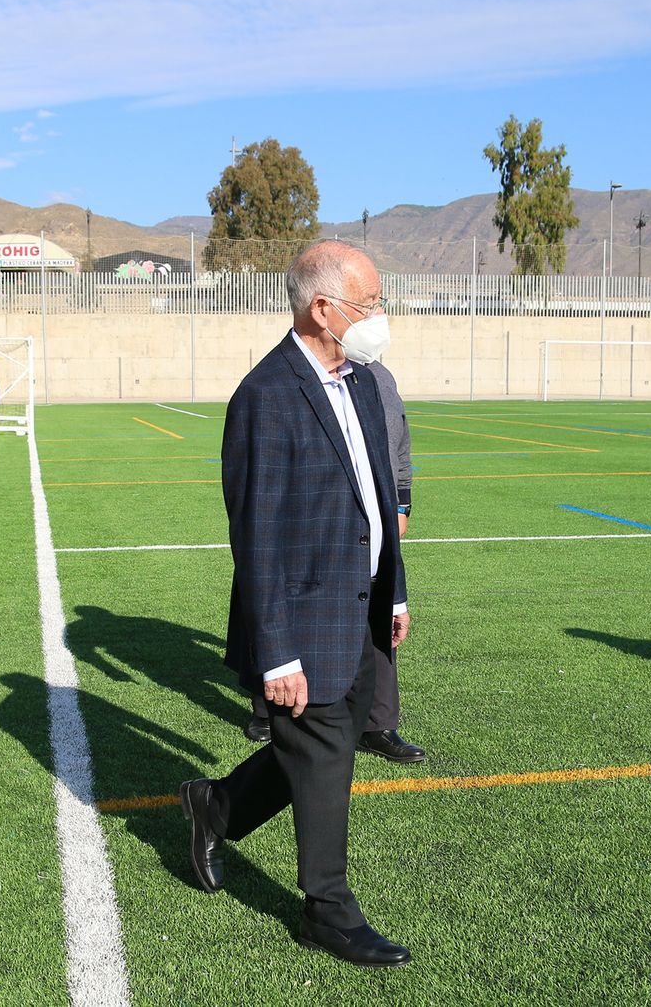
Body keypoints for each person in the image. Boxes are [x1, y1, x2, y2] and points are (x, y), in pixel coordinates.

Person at [180, 240, 412, 968]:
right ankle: (328, 910)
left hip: (362, 606)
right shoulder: (266, 395)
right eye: (369, 303)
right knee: (324, 754)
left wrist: (394, 591)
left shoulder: (366, 383)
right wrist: (275, 649)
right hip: (303, 618)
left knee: (320, 747)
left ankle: (215, 806)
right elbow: (257, 534)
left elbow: (378, 498)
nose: (378, 317)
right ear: (322, 307)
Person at [245, 359, 425, 762]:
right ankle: (266, 705)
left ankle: (378, 723)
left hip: (374, 523)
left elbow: (397, 443)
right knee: (284, 604)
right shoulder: (290, 377)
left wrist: (402, 501)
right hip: (318, 521)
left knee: (377, 618)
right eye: (367, 304)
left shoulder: (380, 377)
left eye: (378, 305)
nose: (375, 316)